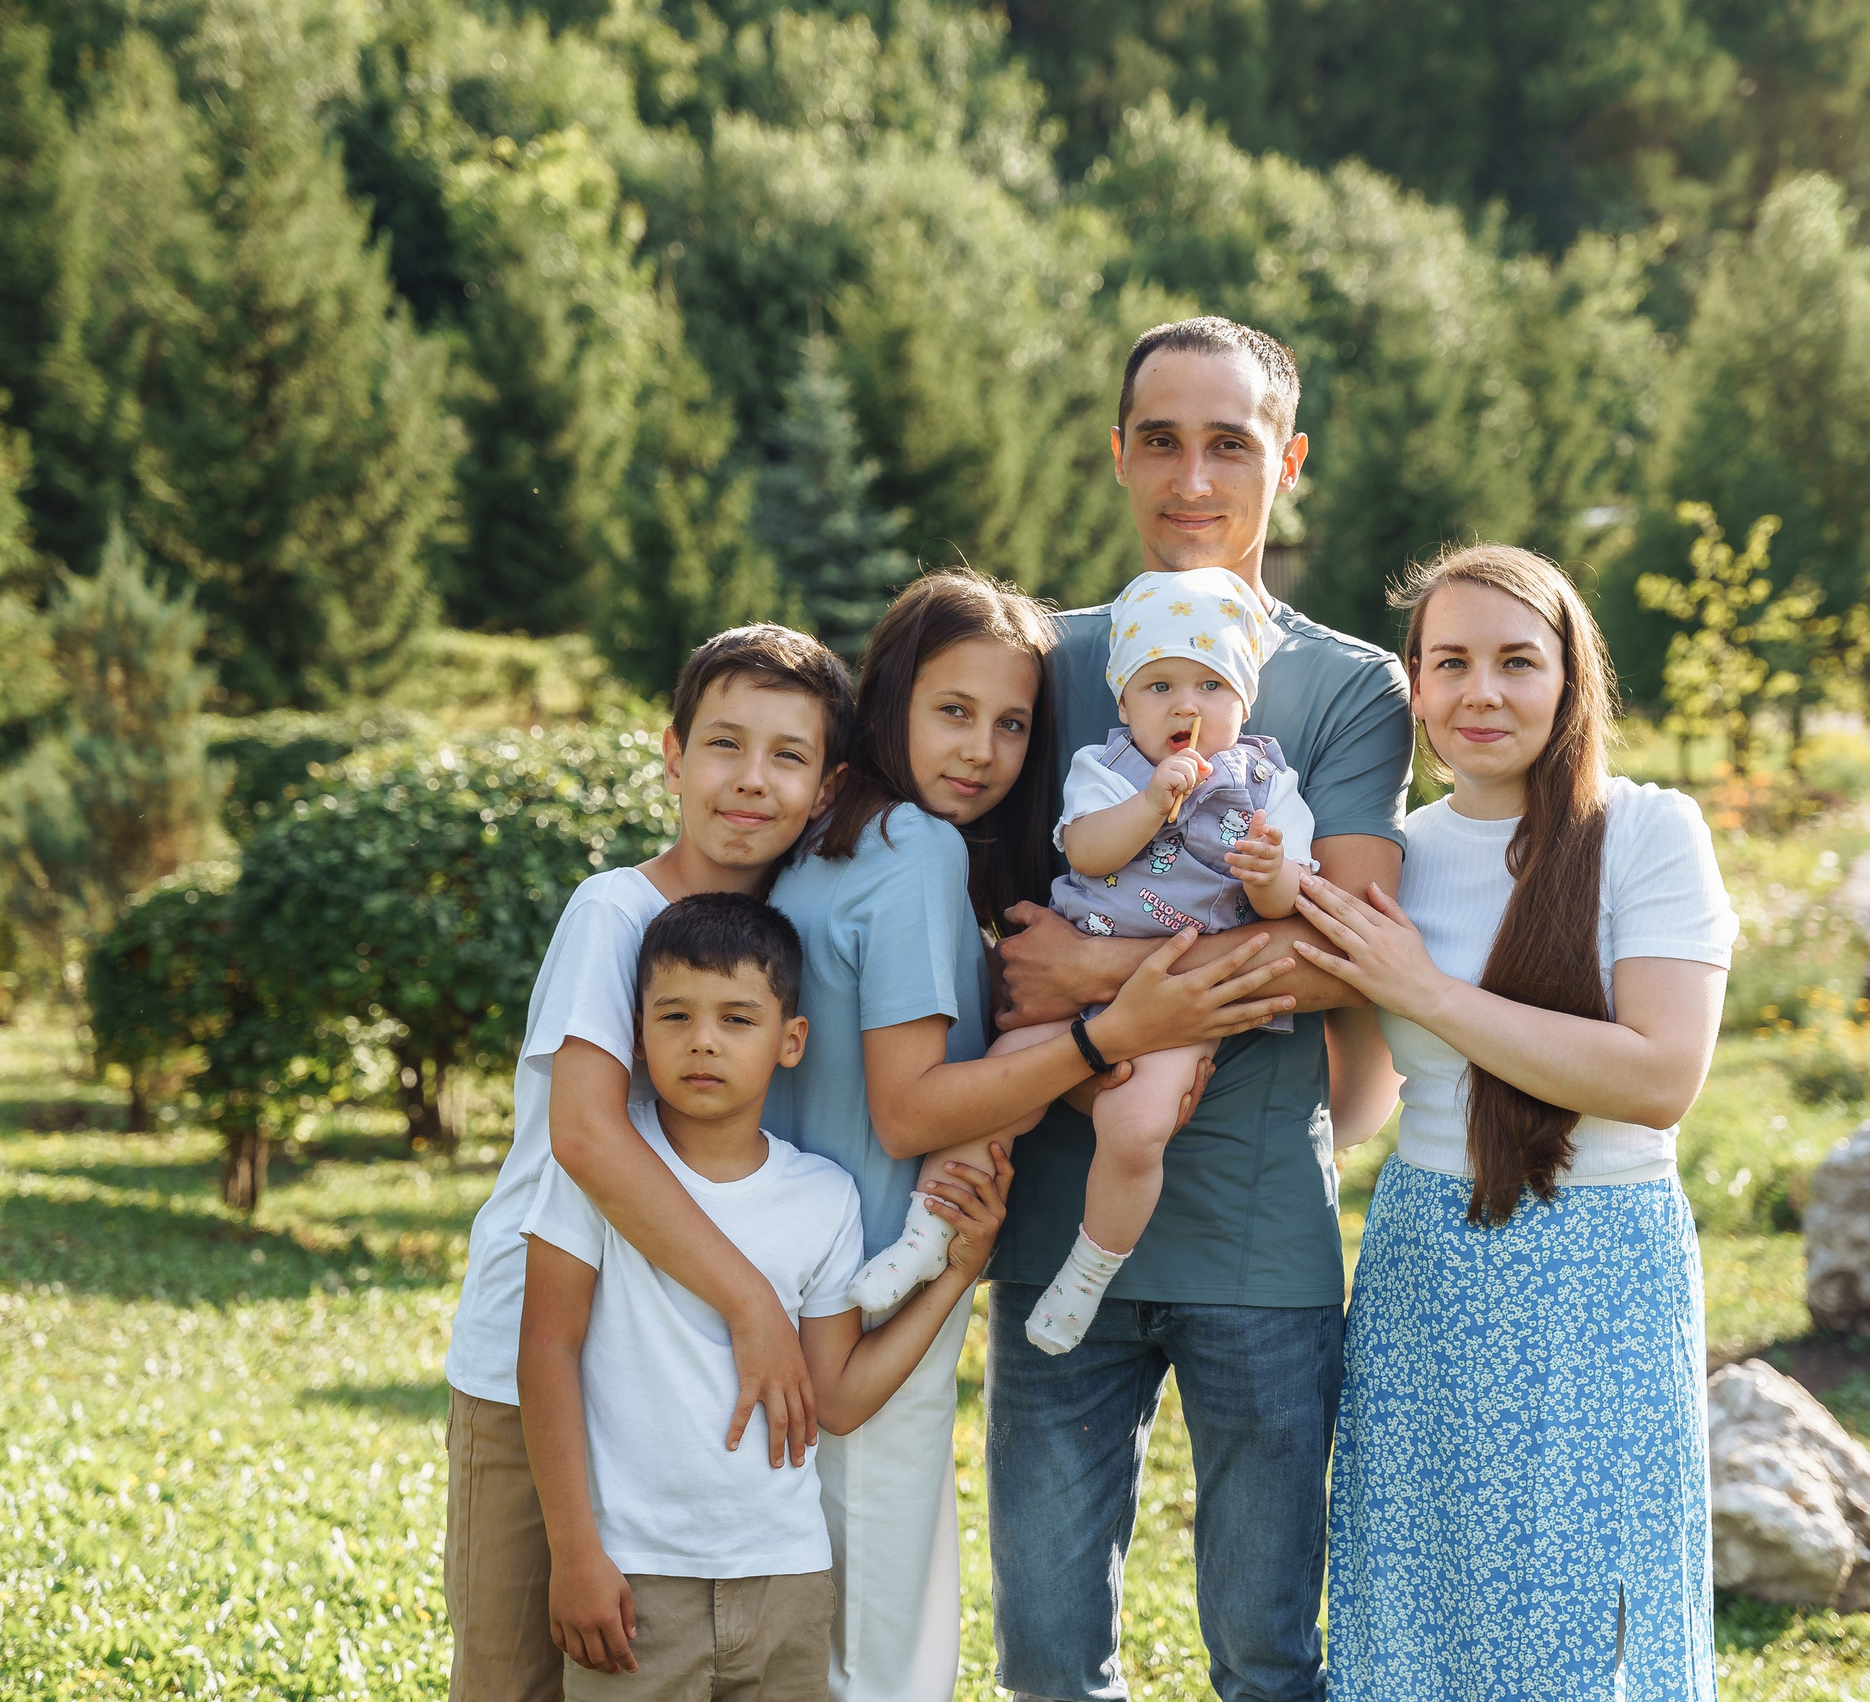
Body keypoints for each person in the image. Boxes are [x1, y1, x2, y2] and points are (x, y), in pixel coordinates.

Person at [765, 567, 1298, 1702]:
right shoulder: (917, 852)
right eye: (952, 712)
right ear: (891, 696)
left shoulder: (830, 834)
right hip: (877, 1264)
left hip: (798, 1259)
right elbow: (913, 1107)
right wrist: (1115, 1035)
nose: (982, 751)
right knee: (881, 1632)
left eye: (1011, 725)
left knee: (789, 1603)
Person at [983, 317, 1413, 1702]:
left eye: (1230, 441)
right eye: (1160, 438)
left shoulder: (1348, 687)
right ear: (1119, 454)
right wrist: (1041, 975)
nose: (1192, 475)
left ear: (1286, 461)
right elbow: (990, 920)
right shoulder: (1043, 661)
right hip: (1054, 1219)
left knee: (1269, 1656)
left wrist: (1095, 978)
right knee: (1050, 1658)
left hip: (1259, 1236)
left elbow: (1351, 948)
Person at [1287, 544, 1735, 1700]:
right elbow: (1367, 1087)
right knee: (1414, 1607)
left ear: (1569, 678)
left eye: (1515, 661)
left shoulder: (1645, 832)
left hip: (1600, 1267)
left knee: (1585, 1619)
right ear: (1415, 686)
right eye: (1451, 663)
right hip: (1425, 1261)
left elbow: (1657, 1075)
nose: (1481, 692)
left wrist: (1424, 987)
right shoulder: (1394, 860)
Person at [444, 625, 854, 1702]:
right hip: (534, 1363)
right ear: (670, 756)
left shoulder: (762, 937)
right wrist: (754, 1304)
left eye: (787, 755)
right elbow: (585, 1135)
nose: (750, 780)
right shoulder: (616, 912)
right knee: (513, 1676)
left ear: (824, 789)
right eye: (724, 744)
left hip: (663, 1394)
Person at [516, 893, 1013, 1702]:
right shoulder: (604, 1171)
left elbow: (838, 1397)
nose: (703, 1039)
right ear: (637, 1033)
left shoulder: (823, 1196)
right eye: (674, 1015)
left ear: (791, 1041)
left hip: (786, 1573)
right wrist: (574, 1552)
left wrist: (958, 1272)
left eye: (737, 1019)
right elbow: (546, 1349)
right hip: (633, 1576)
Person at [849, 565, 1314, 1357]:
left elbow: (1287, 907)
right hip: (1069, 995)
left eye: (1210, 685)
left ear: (1244, 701)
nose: (1185, 706)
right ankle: (927, 1231)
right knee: (1001, 1087)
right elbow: (1089, 850)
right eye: (1159, 685)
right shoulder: (1107, 770)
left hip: (1176, 1011)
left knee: (1136, 1129)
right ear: (1125, 701)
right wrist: (1151, 803)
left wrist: (1273, 877)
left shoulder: (1268, 788)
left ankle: (1089, 1270)